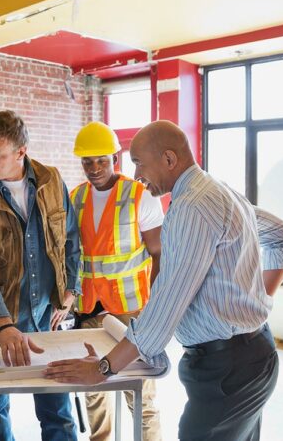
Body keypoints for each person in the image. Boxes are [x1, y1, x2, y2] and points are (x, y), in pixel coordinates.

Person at [46, 120, 283, 441]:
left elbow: (168, 301)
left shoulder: (190, 208)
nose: (136, 174)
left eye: (139, 163)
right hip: (253, 353)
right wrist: (258, 302)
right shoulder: (218, 191)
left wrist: (104, 368)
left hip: (227, 368)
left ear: (168, 160)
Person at [0, 110, 80, 441]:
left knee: (58, 410)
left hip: (44, 317)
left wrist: (71, 289)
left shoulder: (52, 181)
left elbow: (70, 238)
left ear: (20, 152)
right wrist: (3, 324)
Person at [70, 121, 163, 441]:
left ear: (116, 159)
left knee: (139, 392)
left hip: (131, 311)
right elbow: (72, 255)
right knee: (94, 390)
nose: (94, 168)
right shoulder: (75, 198)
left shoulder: (140, 196)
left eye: (101, 160)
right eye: (87, 161)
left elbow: (159, 254)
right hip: (89, 311)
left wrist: (158, 309)